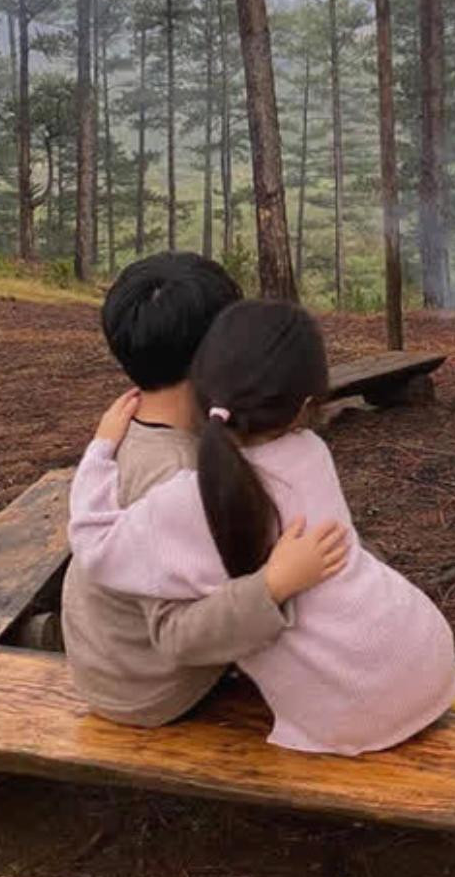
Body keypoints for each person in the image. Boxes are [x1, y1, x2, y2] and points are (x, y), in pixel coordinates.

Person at [68, 299, 455, 755]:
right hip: (426, 654)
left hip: (351, 712)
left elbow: (92, 543)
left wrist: (101, 449)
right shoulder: (312, 452)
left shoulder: (185, 500)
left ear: (196, 387)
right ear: (304, 407)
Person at [62, 254, 345, 728]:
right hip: (148, 688)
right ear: (215, 355)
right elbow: (178, 634)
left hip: (108, 660)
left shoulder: (126, 430)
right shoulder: (174, 476)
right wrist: (273, 586)